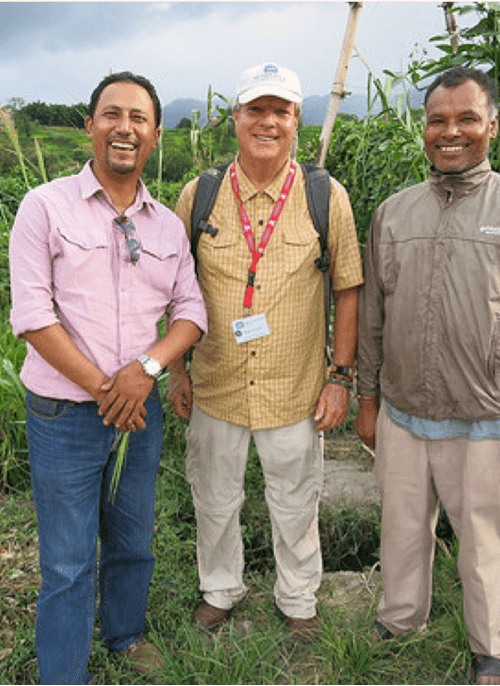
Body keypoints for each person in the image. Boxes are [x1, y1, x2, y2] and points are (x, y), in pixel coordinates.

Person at [355, 65, 500, 685]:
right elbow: (373, 313)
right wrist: (367, 397)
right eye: (437, 120)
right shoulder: (393, 213)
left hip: (487, 419)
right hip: (402, 413)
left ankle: (490, 647)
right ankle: (400, 620)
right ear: (423, 128)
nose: (450, 132)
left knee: (483, 544)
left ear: (493, 127)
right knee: (401, 530)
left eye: (466, 119)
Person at [8, 71, 207, 685]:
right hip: (66, 413)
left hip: (138, 414)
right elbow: (33, 317)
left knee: (133, 538)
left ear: (154, 135)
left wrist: (147, 371)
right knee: (68, 561)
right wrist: (105, 388)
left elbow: (191, 312)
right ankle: (64, 673)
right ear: (89, 125)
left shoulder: (167, 227)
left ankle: (124, 634)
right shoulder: (44, 207)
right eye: (112, 114)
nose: (125, 127)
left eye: (139, 118)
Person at [168, 62, 363, 643]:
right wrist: (176, 370)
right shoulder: (199, 195)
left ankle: (298, 597)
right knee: (214, 498)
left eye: (281, 111)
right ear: (235, 118)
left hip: (295, 388)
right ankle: (220, 589)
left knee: (296, 501)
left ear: (297, 121)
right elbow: (174, 288)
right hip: (216, 386)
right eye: (256, 109)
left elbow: (347, 289)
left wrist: (341, 377)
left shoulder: (325, 197)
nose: (268, 122)